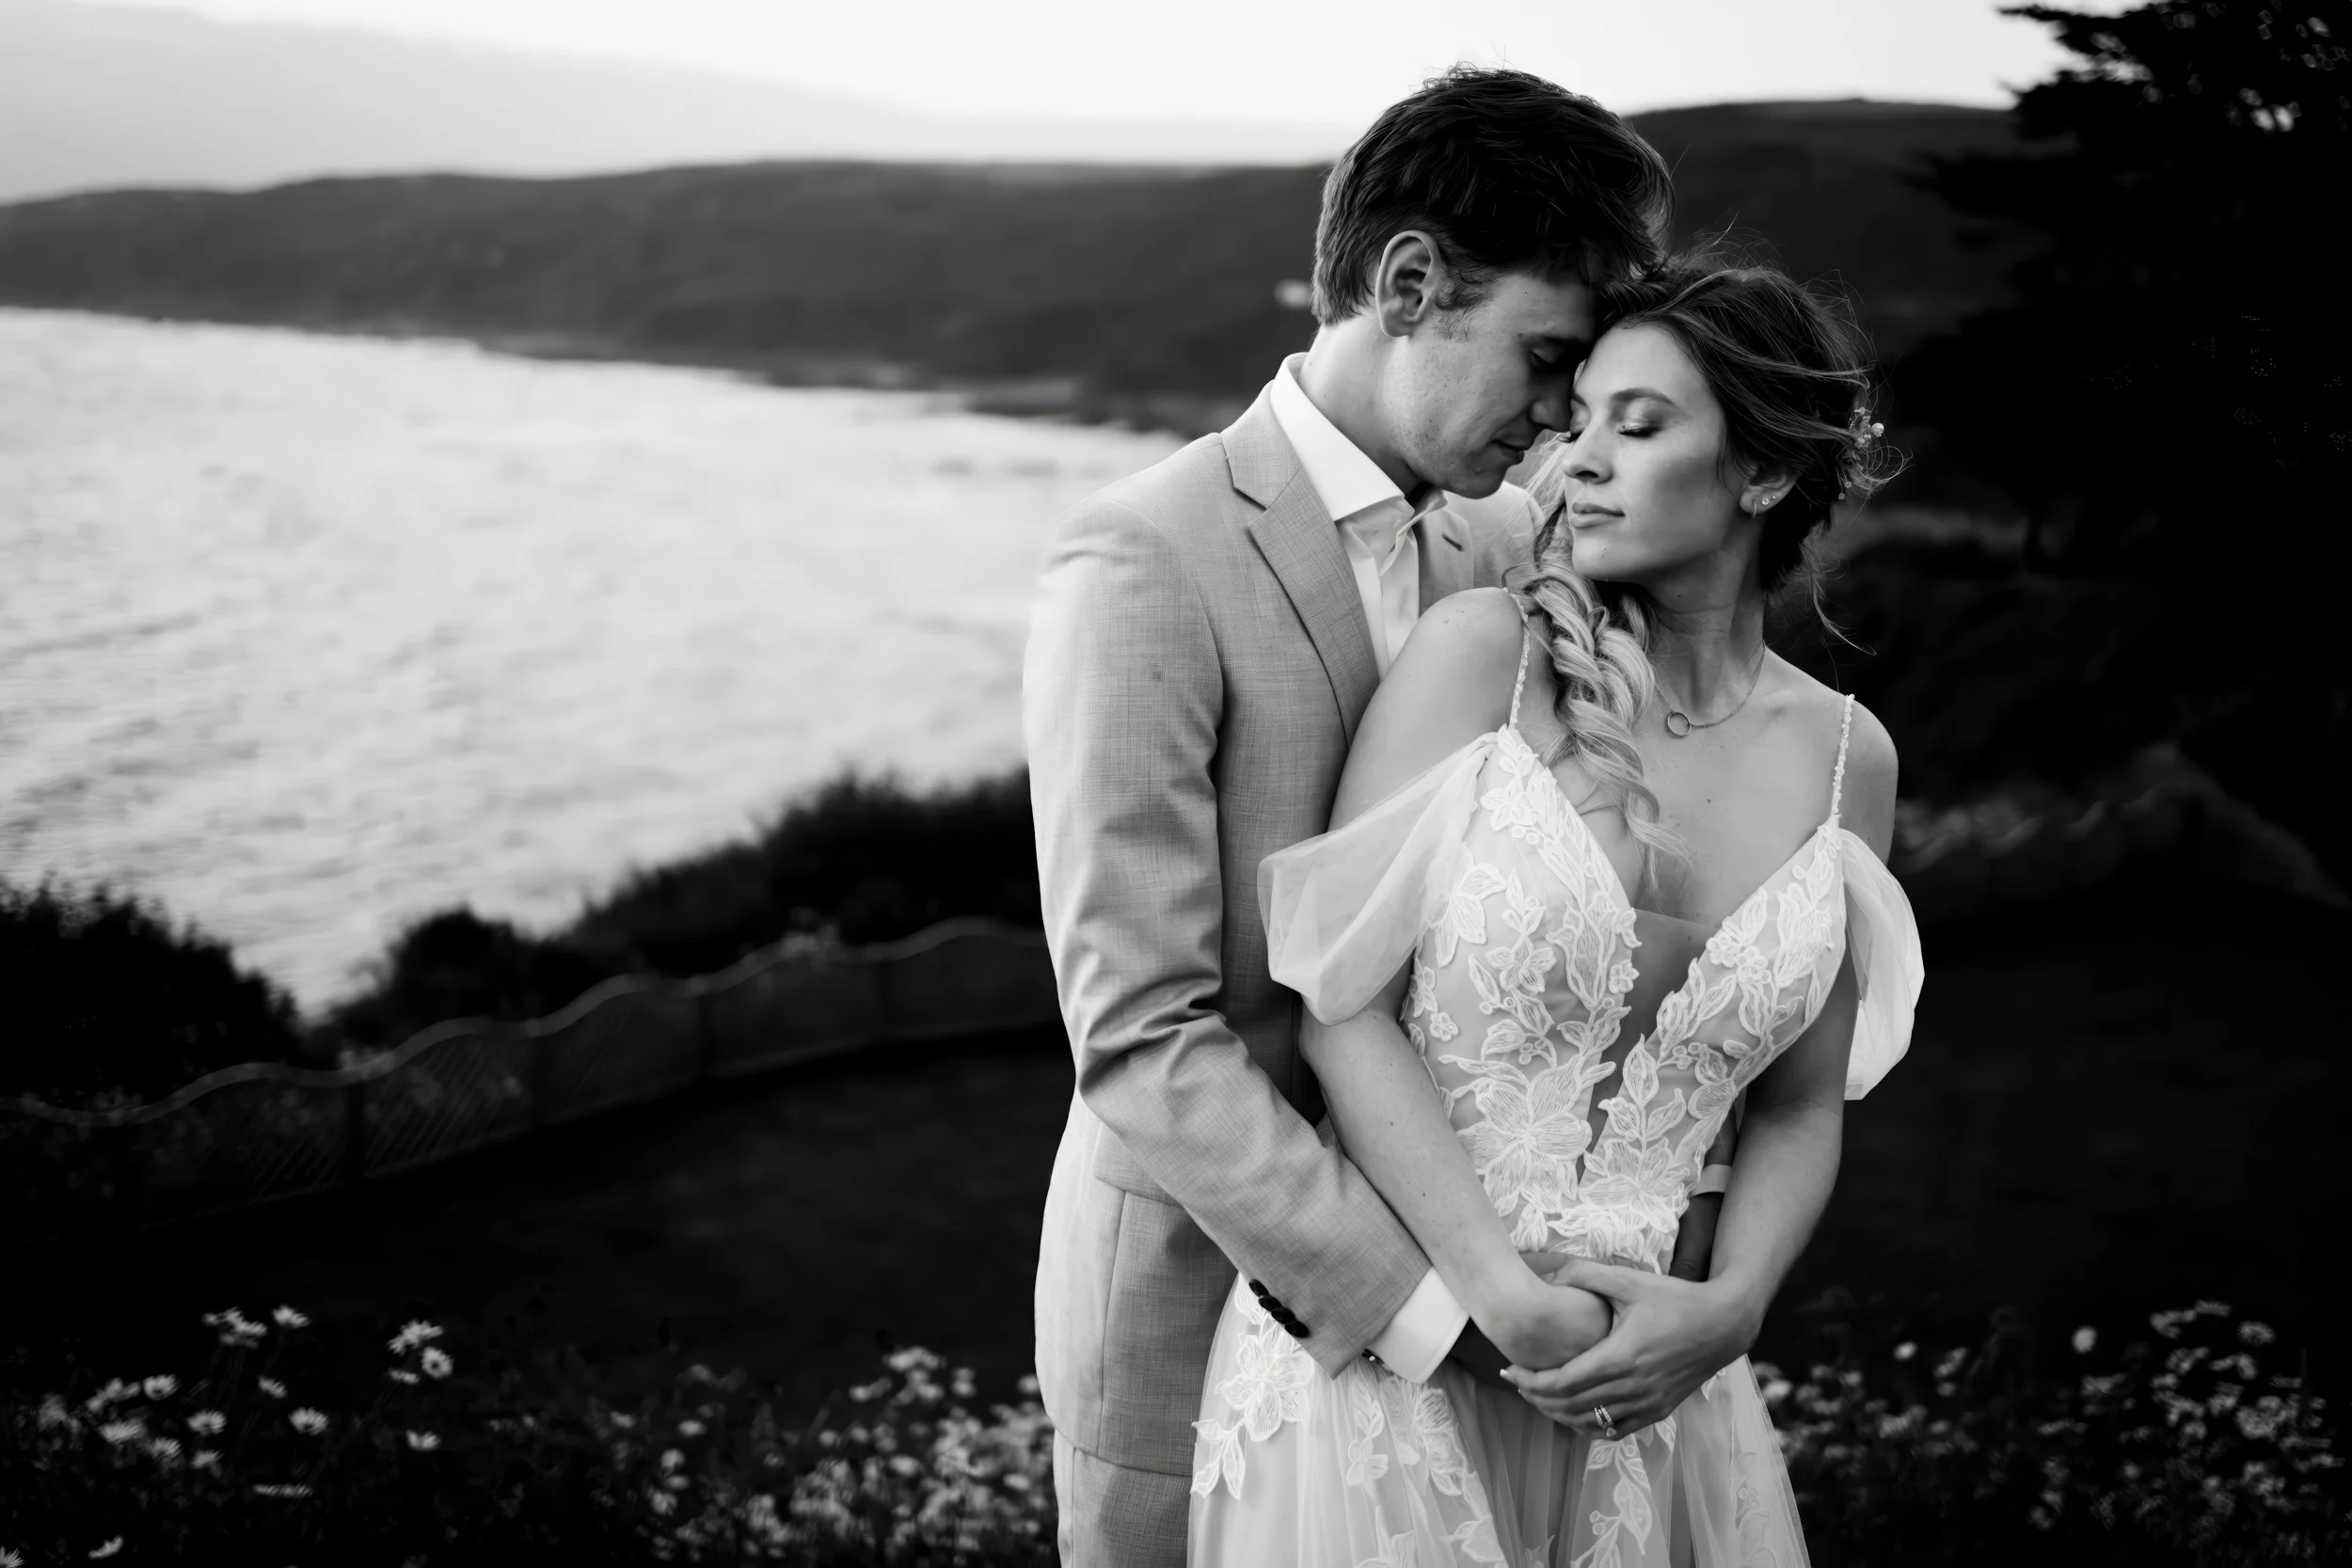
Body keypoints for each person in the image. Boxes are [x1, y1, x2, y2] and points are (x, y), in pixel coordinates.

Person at [1023, 66, 1677, 1568]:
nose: (1556, 418)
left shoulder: (1509, 542)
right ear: (1409, 280)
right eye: (1545, 358)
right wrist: (1438, 1301)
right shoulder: (1143, 559)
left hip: (1504, 1298)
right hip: (1203, 1312)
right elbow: (1141, 1035)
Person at [1184, 259, 1925, 1564]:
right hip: (1405, 1371)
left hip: (1656, 1389)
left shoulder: (1848, 758)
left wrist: (1734, 1307)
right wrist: (1497, 1300)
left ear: (1758, 473)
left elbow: (1803, 1103)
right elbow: (1339, 999)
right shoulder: (1484, 656)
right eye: (1574, 418)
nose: (1573, 462)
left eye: (1636, 427)